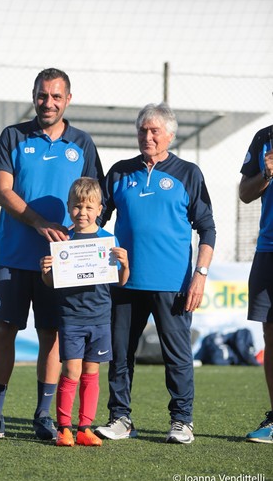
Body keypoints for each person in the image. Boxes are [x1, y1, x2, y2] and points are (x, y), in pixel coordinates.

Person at [0, 68, 103, 440]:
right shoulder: (13, 136)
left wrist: (89, 239)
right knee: (4, 331)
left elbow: (96, 201)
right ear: (34, 96)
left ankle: (43, 416)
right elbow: (2, 190)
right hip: (13, 255)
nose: (48, 103)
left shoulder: (83, 143)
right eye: (42, 96)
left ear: (68, 100)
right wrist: (39, 222)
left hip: (61, 263)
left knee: (53, 336)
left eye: (56, 97)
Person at [94, 102, 216, 444]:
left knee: (177, 355)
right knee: (120, 353)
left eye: (154, 131)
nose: (147, 137)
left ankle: (182, 421)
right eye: (142, 131)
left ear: (170, 136)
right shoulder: (119, 172)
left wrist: (200, 274)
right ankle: (120, 417)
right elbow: (95, 219)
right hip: (124, 280)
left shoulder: (188, 173)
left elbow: (208, 229)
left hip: (173, 284)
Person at [40, 177, 129, 446]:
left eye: (89, 207)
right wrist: (46, 272)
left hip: (100, 317)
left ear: (100, 209)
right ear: (69, 207)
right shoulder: (63, 241)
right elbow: (53, 282)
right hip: (71, 317)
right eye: (78, 207)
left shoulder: (108, 240)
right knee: (71, 371)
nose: (83, 213)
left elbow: (121, 281)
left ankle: (85, 428)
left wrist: (124, 265)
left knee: (92, 372)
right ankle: (64, 428)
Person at [239, 124, 273, 443]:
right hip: (268, 250)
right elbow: (244, 194)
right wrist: (266, 174)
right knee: (270, 332)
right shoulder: (265, 138)